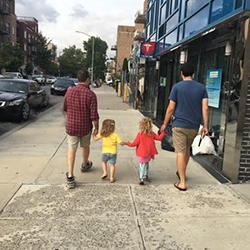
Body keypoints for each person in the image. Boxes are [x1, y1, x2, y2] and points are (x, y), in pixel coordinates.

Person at [161, 62, 209, 191]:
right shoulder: (201, 88)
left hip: (179, 125)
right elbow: (205, 108)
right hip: (194, 126)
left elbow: (171, 108)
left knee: (180, 152)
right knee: (187, 149)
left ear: (181, 73)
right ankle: (182, 172)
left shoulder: (177, 87)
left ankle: (182, 182)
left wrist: (165, 124)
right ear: (193, 73)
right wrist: (205, 126)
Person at [63, 70, 99, 189]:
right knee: (85, 146)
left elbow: (65, 108)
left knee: (71, 149)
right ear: (87, 79)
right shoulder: (91, 95)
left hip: (71, 126)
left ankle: (70, 177)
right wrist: (96, 128)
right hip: (85, 127)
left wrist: (70, 118)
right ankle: (84, 165)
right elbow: (94, 116)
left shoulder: (69, 92)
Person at [127, 117, 165, 185]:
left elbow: (135, 143)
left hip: (142, 153)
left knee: (142, 165)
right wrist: (163, 132)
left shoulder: (140, 134)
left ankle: (141, 178)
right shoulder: (152, 133)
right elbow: (159, 138)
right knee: (146, 164)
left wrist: (128, 143)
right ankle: (146, 175)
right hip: (149, 152)